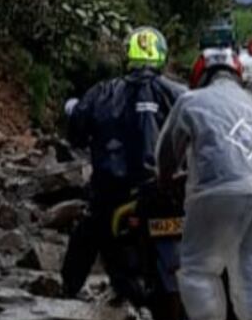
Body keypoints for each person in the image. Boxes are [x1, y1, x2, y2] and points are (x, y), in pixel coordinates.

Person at [156, 47, 252, 320]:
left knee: (198, 266)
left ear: (200, 74)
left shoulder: (190, 101)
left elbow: (167, 153)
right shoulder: (251, 104)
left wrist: (165, 178)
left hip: (216, 190)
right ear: (236, 73)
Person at [61, 26, 185, 298]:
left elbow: (76, 131)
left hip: (115, 192)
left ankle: (67, 293)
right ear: (161, 55)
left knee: (88, 234)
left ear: (128, 55)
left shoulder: (103, 92)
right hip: (168, 188)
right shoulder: (178, 93)